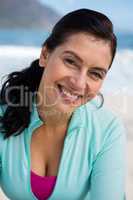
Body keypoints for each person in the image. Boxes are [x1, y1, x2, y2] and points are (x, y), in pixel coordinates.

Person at [0, 9, 126, 200]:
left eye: (95, 73)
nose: (79, 83)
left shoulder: (107, 130)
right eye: (70, 61)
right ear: (45, 55)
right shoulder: (4, 116)